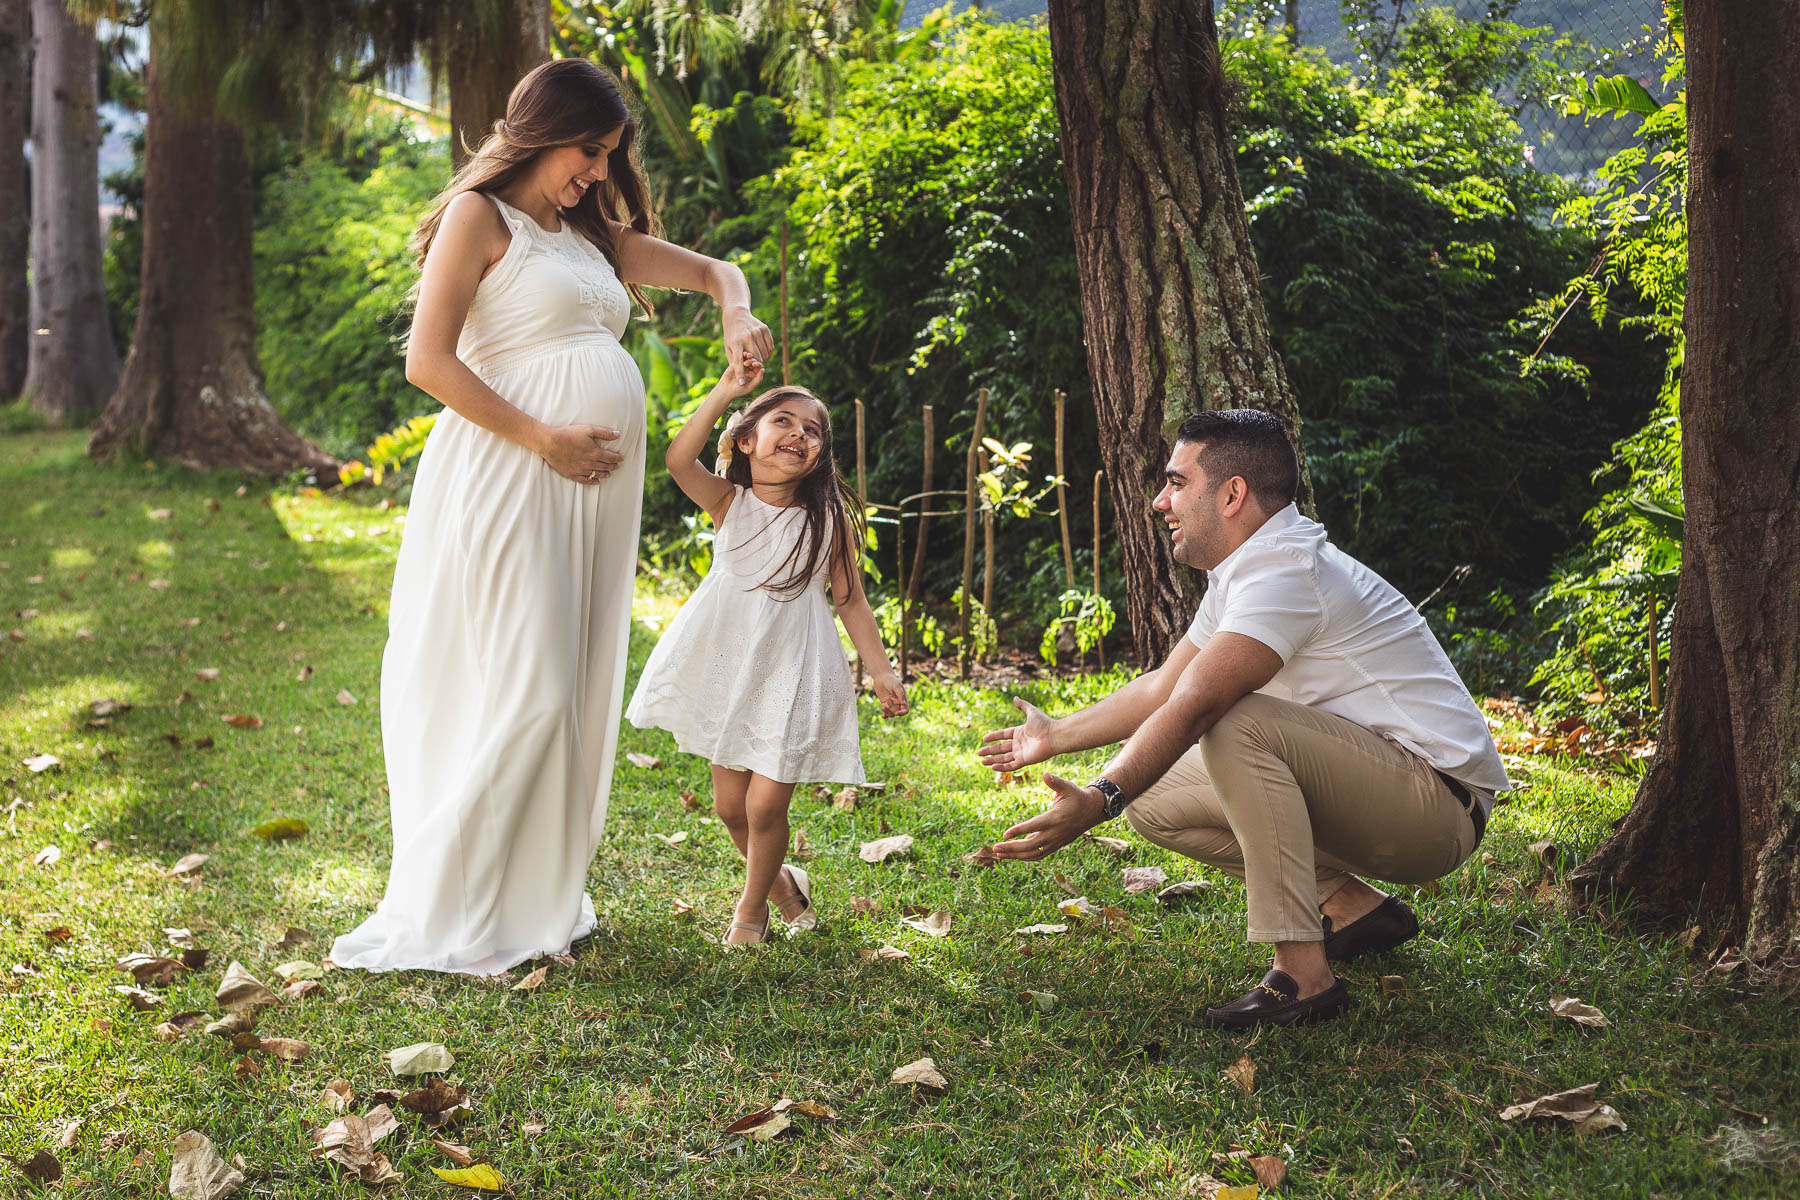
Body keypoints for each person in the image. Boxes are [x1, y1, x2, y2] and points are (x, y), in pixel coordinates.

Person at [331, 59, 774, 975]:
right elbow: (428, 361)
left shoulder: (587, 234)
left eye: (609, 155)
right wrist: (544, 438)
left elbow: (716, 269)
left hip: (585, 493)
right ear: (540, 130)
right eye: (590, 150)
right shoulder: (479, 218)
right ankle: (459, 906)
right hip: (508, 473)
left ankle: (535, 899)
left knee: (568, 687)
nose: (599, 172)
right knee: (526, 683)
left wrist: (739, 313)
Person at [978, 408, 1508, 1028]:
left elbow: (1199, 701)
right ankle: (1351, 908)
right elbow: (1164, 688)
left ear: (1232, 494)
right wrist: (1057, 735)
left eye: (1176, 483)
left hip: (1437, 807)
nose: (1158, 502)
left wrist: (1098, 800)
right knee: (1152, 799)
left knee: (1232, 721)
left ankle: (1303, 979)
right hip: (1387, 791)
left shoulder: (1286, 571)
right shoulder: (1248, 570)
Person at [627, 354, 908, 947]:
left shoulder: (828, 519)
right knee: (730, 807)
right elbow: (678, 458)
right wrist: (727, 390)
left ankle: (750, 913)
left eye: (813, 431)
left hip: (794, 669)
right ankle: (783, 886)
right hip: (729, 666)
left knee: (763, 808)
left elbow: (850, 600)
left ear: (820, 455)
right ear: (747, 440)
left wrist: (878, 670)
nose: (799, 435)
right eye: (784, 421)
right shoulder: (729, 502)